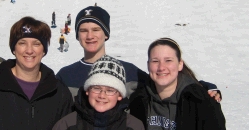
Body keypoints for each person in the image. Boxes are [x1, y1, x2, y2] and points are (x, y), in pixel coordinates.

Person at [56, 6, 222, 101]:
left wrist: (204, 87)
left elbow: (165, 81)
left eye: (96, 30)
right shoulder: (65, 75)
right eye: (83, 31)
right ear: (77, 36)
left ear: (106, 34)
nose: (90, 36)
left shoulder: (128, 71)